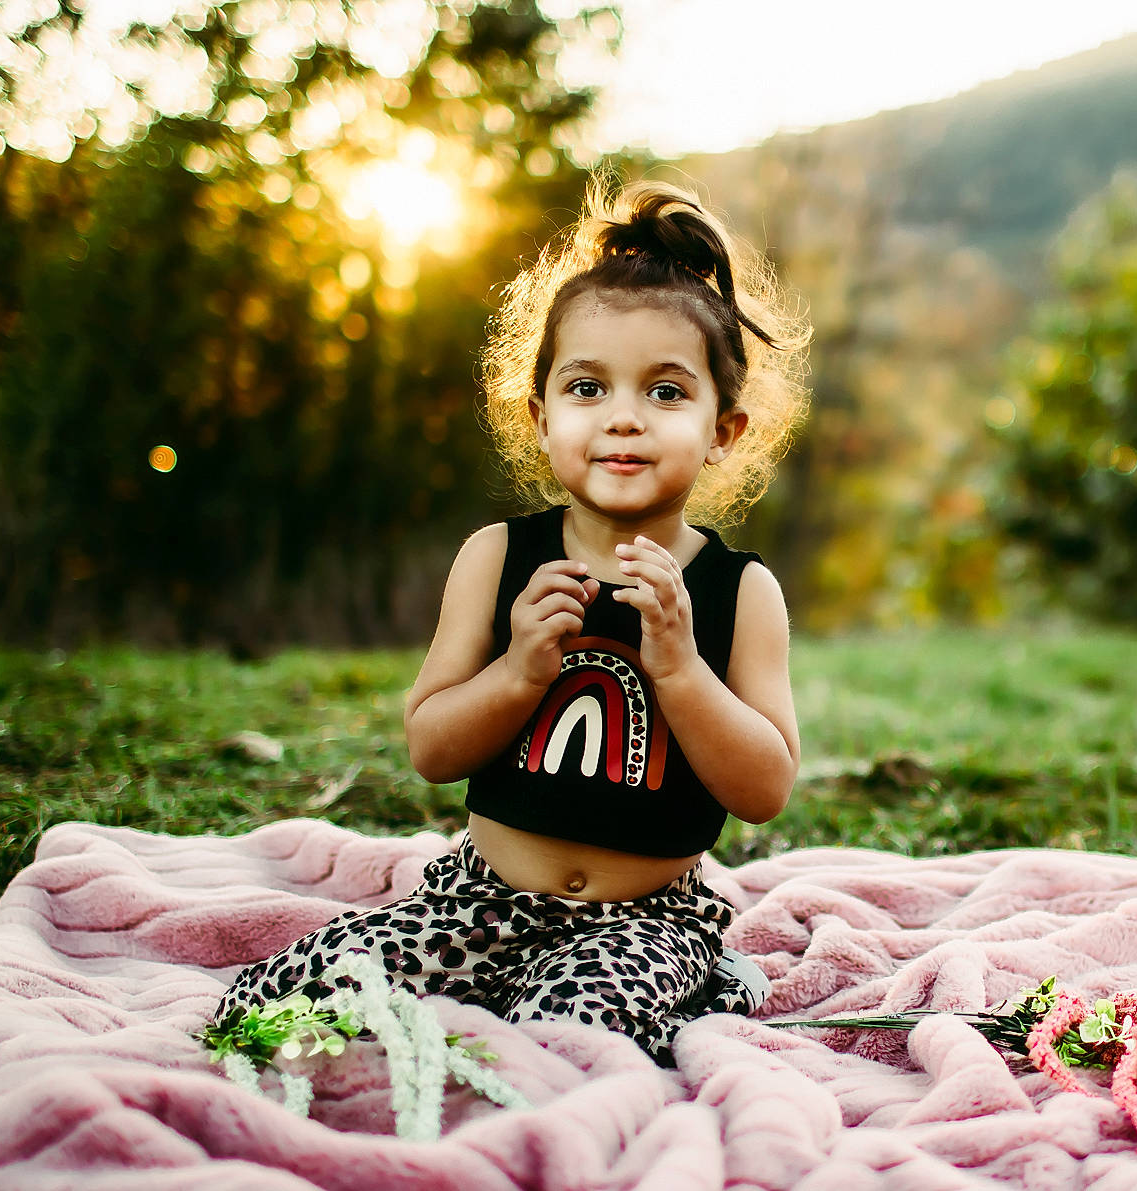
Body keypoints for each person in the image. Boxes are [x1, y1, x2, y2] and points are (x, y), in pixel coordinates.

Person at [209, 177, 811, 1066]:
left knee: (566, 1047)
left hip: (643, 917)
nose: (623, 418)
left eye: (667, 393)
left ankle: (696, 974)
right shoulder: (498, 559)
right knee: (281, 1006)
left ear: (724, 430)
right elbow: (432, 747)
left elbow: (764, 789)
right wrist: (520, 670)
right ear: (541, 416)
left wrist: (681, 668)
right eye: (587, 386)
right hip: (477, 900)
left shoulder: (737, 590)